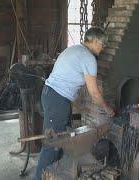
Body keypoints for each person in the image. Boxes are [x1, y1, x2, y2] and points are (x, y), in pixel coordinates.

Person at [35, 27, 115, 180]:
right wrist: (107, 108)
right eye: (103, 44)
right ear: (94, 41)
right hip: (57, 99)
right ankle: (39, 178)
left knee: (61, 140)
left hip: (52, 96)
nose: (103, 48)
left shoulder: (74, 49)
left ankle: (54, 175)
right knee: (52, 144)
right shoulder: (88, 58)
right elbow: (94, 93)